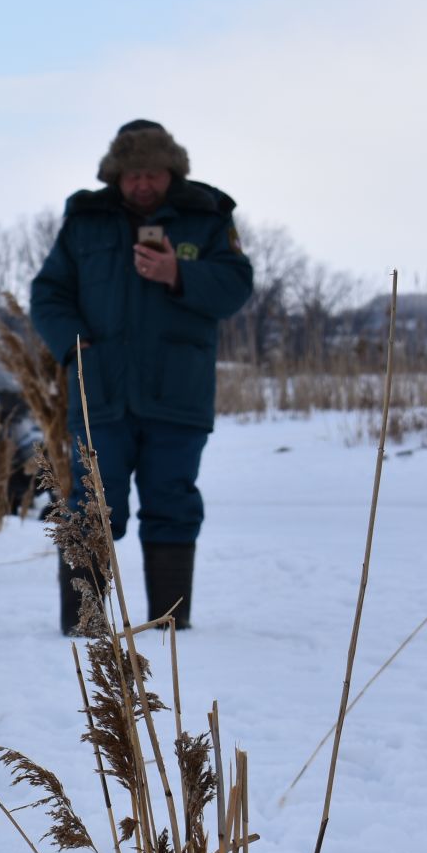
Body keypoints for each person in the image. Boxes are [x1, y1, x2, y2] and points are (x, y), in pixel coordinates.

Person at [29, 119, 254, 634]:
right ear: (116, 176)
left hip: (179, 394)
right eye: (132, 175)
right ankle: (85, 628)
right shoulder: (85, 222)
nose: (143, 184)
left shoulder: (207, 217)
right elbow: (48, 294)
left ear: (171, 172)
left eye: (152, 173)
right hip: (100, 393)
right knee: (90, 508)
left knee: (172, 502)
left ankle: (172, 629)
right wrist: (74, 344)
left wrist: (179, 273)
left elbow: (236, 287)